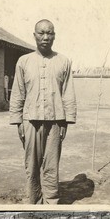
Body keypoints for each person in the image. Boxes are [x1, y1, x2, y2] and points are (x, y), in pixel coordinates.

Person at [9, 19, 77, 204]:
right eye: (41, 33)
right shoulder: (23, 61)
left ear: (54, 36)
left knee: (51, 165)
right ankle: (33, 202)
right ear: (34, 35)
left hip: (56, 121)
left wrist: (66, 121)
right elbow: (18, 92)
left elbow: (68, 92)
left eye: (49, 33)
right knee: (31, 165)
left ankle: (51, 202)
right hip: (30, 121)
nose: (45, 37)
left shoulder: (64, 61)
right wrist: (18, 121)